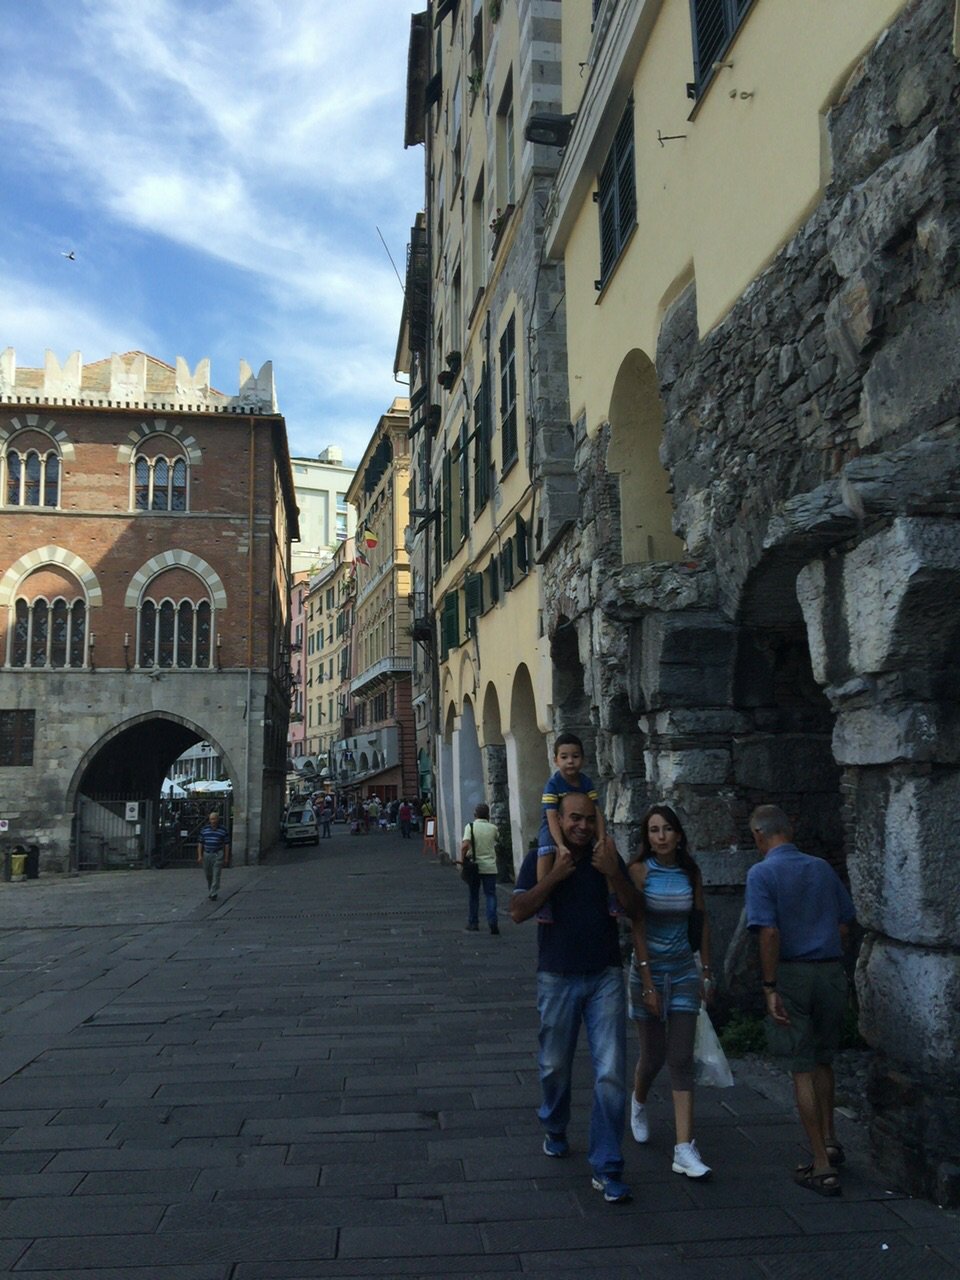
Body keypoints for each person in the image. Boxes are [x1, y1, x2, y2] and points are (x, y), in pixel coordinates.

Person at [511, 792, 641, 1204]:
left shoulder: (607, 856)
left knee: (611, 1072)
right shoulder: (543, 857)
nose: (582, 826)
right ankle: (554, 1123)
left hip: (605, 975)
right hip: (557, 976)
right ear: (559, 820)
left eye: (588, 818)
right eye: (574, 819)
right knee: (554, 1065)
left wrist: (614, 873)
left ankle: (608, 1165)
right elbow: (518, 910)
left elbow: (634, 908)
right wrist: (555, 877)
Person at [746, 804, 856, 1197]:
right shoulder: (822, 868)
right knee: (824, 1059)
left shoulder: (762, 873)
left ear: (759, 835)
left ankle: (821, 1165)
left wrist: (770, 986)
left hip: (793, 973)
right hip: (829, 971)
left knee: (802, 1067)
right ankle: (831, 1139)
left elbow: (769, 932)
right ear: (789, 830)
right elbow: (844, 922)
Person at [627, 803, 713, 1180]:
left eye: (666, 829)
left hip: (682, 971)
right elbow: (636, 926)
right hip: (647, 971)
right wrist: (647, 982)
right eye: (653, 830)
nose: (660, 837)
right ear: (647, 837)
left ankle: (683, 1148)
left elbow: (701, 921)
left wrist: (706, 970)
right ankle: (638, 1101)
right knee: (653, 1056)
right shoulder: (639, 871)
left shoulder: (690, 872)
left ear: (678, 835)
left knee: (680, 1058)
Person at [535, 733, 618, 923]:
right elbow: (551, 815)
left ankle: (613, 895)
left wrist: (601, 838)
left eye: (575, 756)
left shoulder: (586, 782)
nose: (570, 761)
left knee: (608, 846)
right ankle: (544, 900)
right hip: (553, 824)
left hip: (583, 821)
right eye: (564, 757)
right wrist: (560, 844)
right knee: (545, 850)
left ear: (583, 759)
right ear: (556, 760)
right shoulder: (553, 785)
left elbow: (596, 811)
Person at [460, 803, 500, 934]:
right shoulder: (493, 828)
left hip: (474, 866)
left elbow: (465, 846)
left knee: (474, 895)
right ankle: (492, 921)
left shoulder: (470, 827)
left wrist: (462, 860)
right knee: (490, 895)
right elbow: (497, 840)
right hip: (490, 866)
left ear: (475, 815)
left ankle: (473, 922)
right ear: (488, 815)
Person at [197, 811, 230, 902]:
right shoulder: (204, 830)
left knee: (216, 874)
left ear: (218, 819)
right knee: (208, 875)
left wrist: (226, 858)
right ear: (209, 820)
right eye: (211, 819)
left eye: (215, 819)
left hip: (218, 854)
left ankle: (213, 893)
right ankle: (211, 890)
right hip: (207, 854)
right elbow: (200, 843)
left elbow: (227, 844)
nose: (213, 821)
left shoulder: (223, 830)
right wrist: (199, 855)